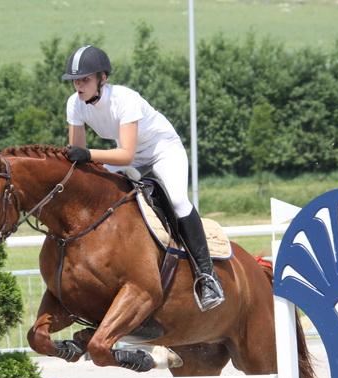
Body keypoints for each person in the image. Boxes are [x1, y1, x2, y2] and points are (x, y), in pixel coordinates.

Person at [61, 45, 224, 312]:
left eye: (85, 79)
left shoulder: (125, 99)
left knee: (178, 201)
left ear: (102, 79)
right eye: (75, 80)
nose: (79, 85)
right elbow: (79, 157)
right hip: (127, 155)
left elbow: (123, 154)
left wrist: (89, 154)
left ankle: (208, 278)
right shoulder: (74, 104)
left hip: (161, 150)